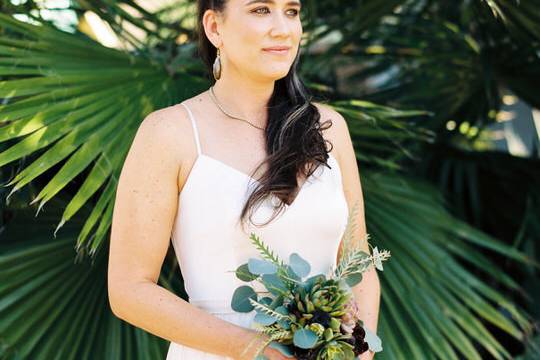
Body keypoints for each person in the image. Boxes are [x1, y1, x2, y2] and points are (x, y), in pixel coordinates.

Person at [107, 0, 380, 359]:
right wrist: (260, 350)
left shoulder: (329, 129)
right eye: (261, 10)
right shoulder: (169, 132)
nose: (283, 28)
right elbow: (129, 290)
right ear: (214, 27)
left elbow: (358, 263)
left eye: (292, 11)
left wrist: (359, 349)